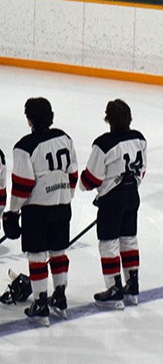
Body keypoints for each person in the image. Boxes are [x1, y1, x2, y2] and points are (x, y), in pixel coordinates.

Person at [2, 97, 78, 326]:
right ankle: (60, 298)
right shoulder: (65, 138)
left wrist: (12, 212)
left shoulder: (24, 146)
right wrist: (65, 195)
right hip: (63, 205)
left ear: (30, 119)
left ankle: (41, 302)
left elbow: (23, 185)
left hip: (37, 210)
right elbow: (73, 173)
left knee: (37, 256)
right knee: (58, 251)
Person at [79, 100, 147, 310]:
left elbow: (90, 179)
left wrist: (84, 184)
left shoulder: (103, 144)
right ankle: (132, 285)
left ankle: (115, 288)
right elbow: (142, 170)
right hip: (132, 195)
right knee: (129, 239)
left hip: (112, 201)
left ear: (108, 119)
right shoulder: (139, 139)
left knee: (108, 243)